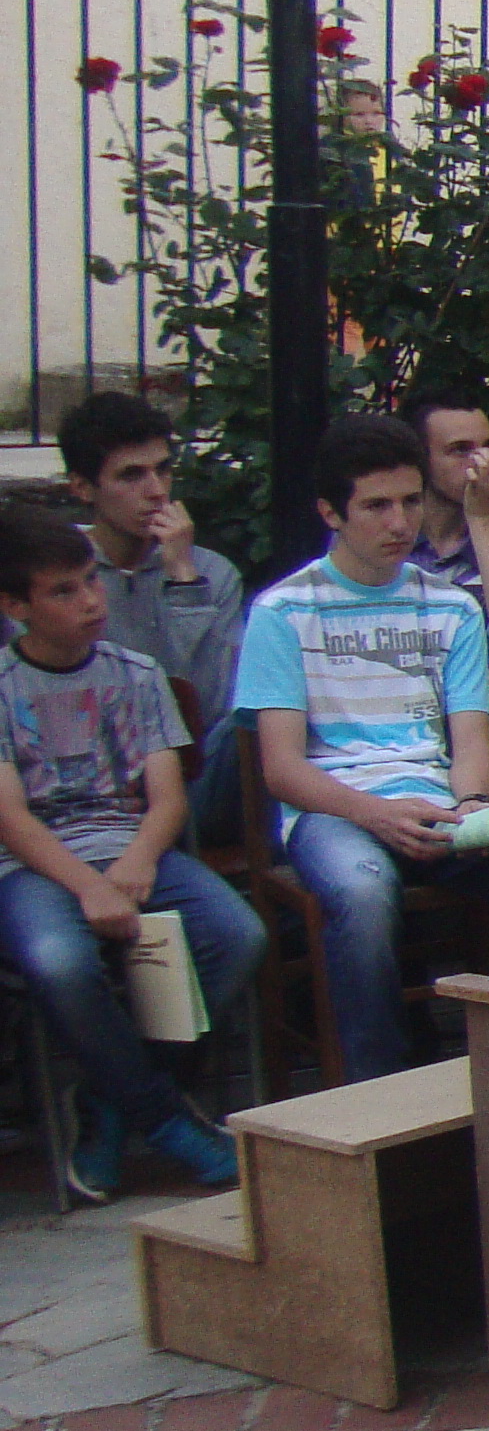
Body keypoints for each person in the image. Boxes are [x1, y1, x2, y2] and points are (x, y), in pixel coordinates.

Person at [236, 413, 489, 1083]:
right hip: (336, 808)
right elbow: (283, 770)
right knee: (361, 892)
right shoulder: (282, 611)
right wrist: (375, 814)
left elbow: (472, 740)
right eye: (376, 506)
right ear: (331, 512)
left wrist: (473, 802)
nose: (399, 522)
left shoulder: (450, 606)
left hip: (439, 802)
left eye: (410, 501)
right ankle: (375, 1091)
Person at [0, 508, 253, 1195]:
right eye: (63, 591)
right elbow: (11, 820)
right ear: (15, 607)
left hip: (134, 849)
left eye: (90, 580)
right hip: (34, 867)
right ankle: (167, 1121)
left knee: (237, 935)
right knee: (58, 962)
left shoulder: (137, 674)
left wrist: (137, 862)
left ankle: (109, 1103)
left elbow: (167, 798)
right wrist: (90, 886)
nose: (90, 600)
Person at [58, 392, 245, 793]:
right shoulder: (58, 575)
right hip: (91, 779)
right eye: (131, 476)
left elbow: (212, 711)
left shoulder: (211, 574)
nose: (157, 491)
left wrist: (184, 584)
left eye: (163, 470)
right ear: (83, 488)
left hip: (195, 777)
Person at [403, 388, 489, 606]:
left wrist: (481, 519)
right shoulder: (386, 543)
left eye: (488, 447)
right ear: (418, 459)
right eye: (460, 449)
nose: (482, 461)